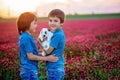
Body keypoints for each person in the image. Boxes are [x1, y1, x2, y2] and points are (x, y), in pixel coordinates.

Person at [16, 12, 58, 80]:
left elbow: (32, 53)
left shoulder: (28, 36)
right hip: (29, 71)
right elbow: (31, 56)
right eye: (34, 23)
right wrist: (48, 58)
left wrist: (43, 53)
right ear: (26, 24)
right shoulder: (26, 38)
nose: (36, 25)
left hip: (30, 70)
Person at [39, 9, 66, 80]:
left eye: (55, 21)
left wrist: (40, 42)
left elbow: (48, 51)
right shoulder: (55, 33)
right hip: (54, 67)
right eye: (50, 20)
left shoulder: (57, 35)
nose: (52, 23)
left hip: (55, 68)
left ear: (61, 23)